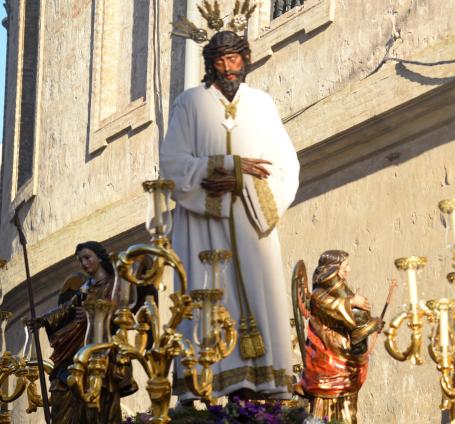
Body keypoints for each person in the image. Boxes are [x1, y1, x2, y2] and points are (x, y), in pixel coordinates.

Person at [161, 28, 300, 400]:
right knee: (208, 297)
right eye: (221, 60)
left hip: (250, 220)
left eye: (234, 59)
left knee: (258, 291)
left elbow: (285, 166)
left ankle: (262, 388)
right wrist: (223, 168)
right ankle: (207, 383)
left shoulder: (262, 104)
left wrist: (243, 183)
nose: (228, 68)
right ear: (210, 64)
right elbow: (172, 163)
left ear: (245, 60)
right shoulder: (189, 103)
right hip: (202, 222)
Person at [35, 241, 136, 424]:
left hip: (103, 348)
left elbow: (122, 312)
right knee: (63, 385)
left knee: (99, 396)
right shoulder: (86, 286)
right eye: (80, 260)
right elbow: (67, 308)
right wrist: (43, 319)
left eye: (87, 258)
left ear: (100, 257)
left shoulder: (115, 283)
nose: (84, 263)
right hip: (77, 346)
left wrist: (92, 314)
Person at [299, 250, 382, 424]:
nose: (348, 270)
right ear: (332, 270)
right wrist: (352, 302)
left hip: (345, 360)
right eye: (344, 267)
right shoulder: (319, 294)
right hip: (328, 361)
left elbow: (355, 321)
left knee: (348, 409)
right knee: (326, 410)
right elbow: (334, 306)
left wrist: (370, 326)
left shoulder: (338, 291)